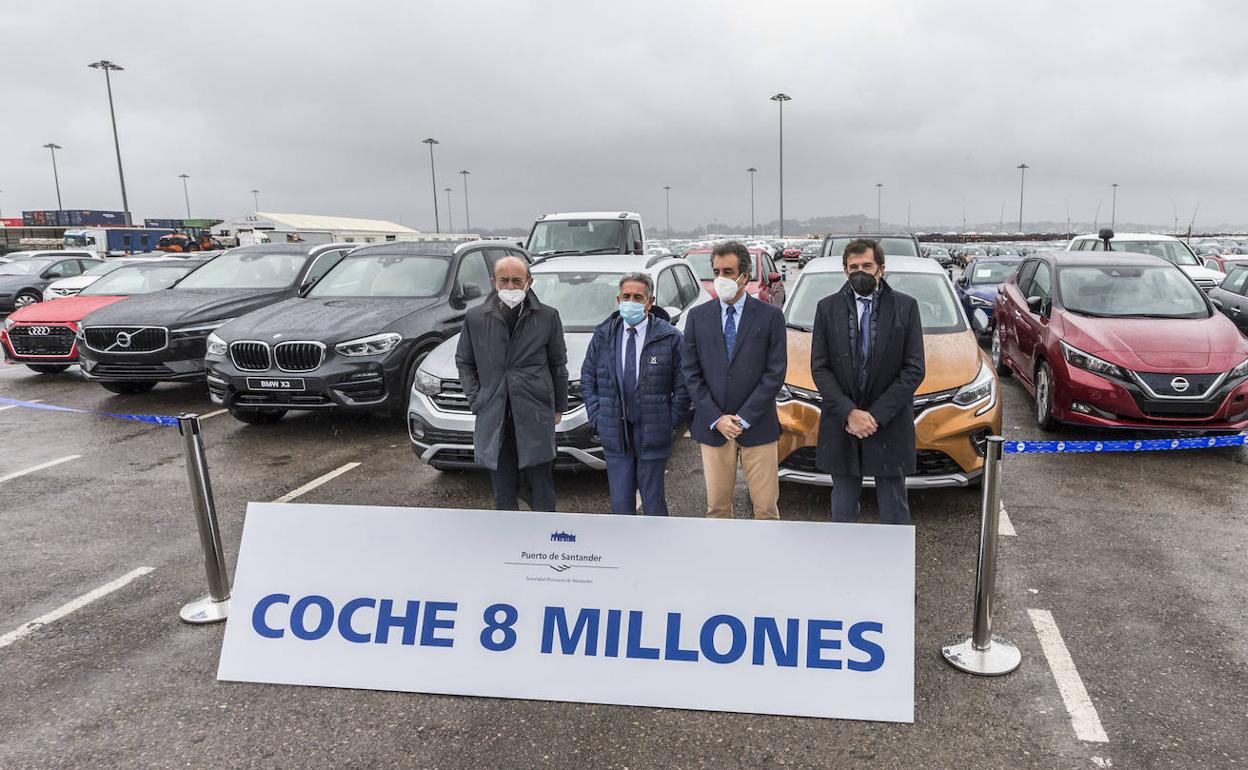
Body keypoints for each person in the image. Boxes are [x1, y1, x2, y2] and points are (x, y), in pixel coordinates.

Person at [810, 239, 925, 524]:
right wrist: (849, 412)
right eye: (853, 267)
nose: (859, 271)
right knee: (843, 507)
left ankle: (891, 565)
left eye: (866, 266)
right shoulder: (827, 308)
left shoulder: (905, 308)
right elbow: (820, 368)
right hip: (843, 424)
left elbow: (914, 368)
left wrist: (874, 416)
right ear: (844, 270)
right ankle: (845, 565)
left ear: (881, 269)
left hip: (888, 423)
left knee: (893, 508)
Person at [682, 241, 787, 519]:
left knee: (765, 509)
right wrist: (717, 418)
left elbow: (775, 373)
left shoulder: (771, 316)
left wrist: (743, 417)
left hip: (758, 425)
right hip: (715, 427)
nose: (721, 278)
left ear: (745, 274)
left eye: (728, 271)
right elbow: (691, 373)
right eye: (716, 271)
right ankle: (721, 561)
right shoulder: (697, 317)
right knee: (717, 509)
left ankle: (764, 561)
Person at [456, 256, 568, 511]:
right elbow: (464, 362)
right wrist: (476, 399)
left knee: (542, 489)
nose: (510, 287)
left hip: (535, 413)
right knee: (503, 491)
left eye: (517, 281)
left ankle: (544, 541)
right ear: (493, 282)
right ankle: (508, 544)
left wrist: (558, 405)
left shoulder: (548, 317)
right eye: (504, 280)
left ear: (529, 282)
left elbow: (558, 365)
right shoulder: (475, 318)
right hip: (495, 414)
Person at [581, 272, 690, 515]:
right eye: (626, 296)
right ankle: (624, 549)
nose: (631, 302)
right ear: (618, 299)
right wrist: (598, 417)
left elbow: (683, 386)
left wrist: (669, 420)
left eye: (638, 297)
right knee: (621, 504)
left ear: (650, 301)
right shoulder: (603, 335)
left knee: (653, 502)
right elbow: (588, 378)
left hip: (652, 431)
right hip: (615, 432)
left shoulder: (669, 337)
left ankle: (656, 549)